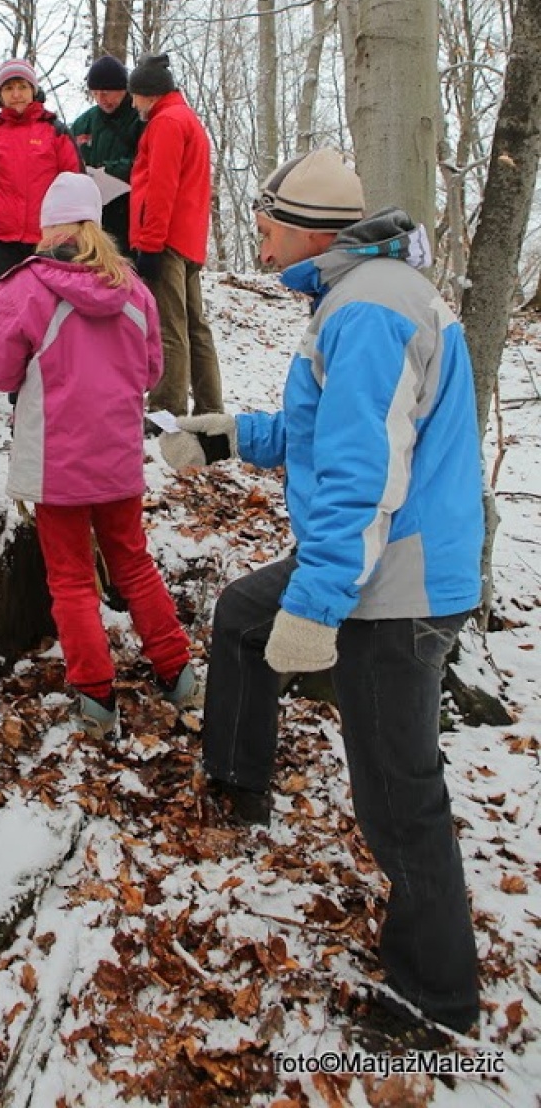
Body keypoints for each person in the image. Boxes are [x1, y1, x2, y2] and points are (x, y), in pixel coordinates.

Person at [160, 147, 483, 1036]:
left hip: (396, 582)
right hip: (384, 561)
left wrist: (317, 603)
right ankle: (239, 783)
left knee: (397, 791)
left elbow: (361, 474)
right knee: (241, 614)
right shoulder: (358, 294)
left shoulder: (368, 309)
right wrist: (231, 436)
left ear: (308, 229)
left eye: (266, 220)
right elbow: (324, 429)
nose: (257, 235)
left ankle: (435, 1003)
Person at [0, 171, 200, 738]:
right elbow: (152, 370)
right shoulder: (134, 290)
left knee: (71, 579)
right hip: (118, 456)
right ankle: (178, 673)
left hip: (57, 462)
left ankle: (96, 697)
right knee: (134, 564)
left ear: (49, 226)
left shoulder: (27, 286)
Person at [128, 52, 223, 417]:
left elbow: (161, 188)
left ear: (149, 94)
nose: (133, 104)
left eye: (136, 96)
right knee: (196, 328)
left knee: (169, 327)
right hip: (188, 237)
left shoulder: (166, 122)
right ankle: (209, 407)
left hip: (166, 239)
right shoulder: (187, 118)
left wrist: (150, 244)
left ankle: (167, 409)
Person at [0, 58, 82, 291]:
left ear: (33, 90)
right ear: (0, 95)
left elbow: (77, 192)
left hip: (48, 241)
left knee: (43, 308)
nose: (16, 94)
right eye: (8, 88)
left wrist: (79, 243)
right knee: (6, 307)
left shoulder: (57, 132)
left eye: (22, 87)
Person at [71, 54, 143, 256]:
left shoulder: (140, 119)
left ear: (123, 89)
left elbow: (147, 162)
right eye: (95, 93)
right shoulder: (84, 123)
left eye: (106, 93)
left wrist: (110, 171)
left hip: (129, 213)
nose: (101, 99)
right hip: (91, 216)